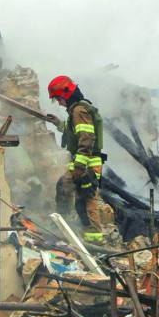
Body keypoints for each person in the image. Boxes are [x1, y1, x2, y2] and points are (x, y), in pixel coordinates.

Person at [47, 75, 120, 246]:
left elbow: (86, 137)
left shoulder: (79, 111)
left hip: (87, 164)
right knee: (79, 197)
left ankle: (82, 234)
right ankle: (75, 229)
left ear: (66, 95)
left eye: (58, 99)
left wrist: (79, 165)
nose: (59, 103)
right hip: (86, 162)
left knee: (84, 197)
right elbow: (74, 132)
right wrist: (59, 124)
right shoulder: (78, 110)